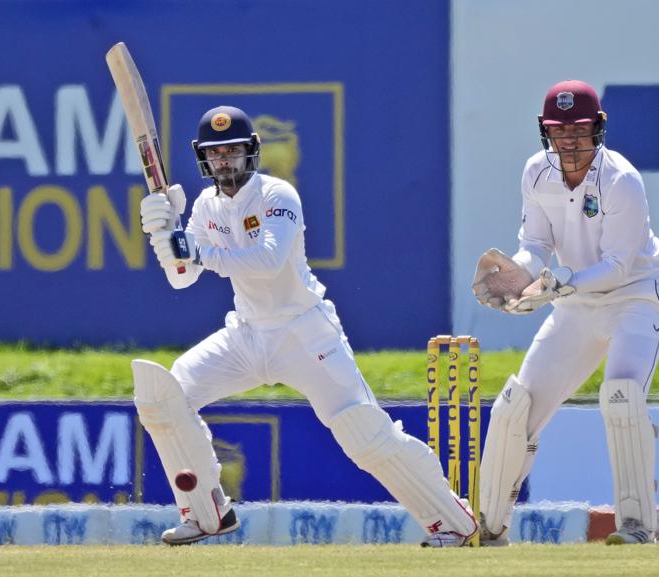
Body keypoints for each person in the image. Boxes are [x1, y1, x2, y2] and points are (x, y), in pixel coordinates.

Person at [135, 106, 477, 547]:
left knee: (364, 434)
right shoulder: (206, 206)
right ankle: (207, 512)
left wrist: (196, 252)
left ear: (250, 153)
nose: (224, 161)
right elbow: (182, 278)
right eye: (216, 154)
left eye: (233, 152)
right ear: (204, 158)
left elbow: (268, 260)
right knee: (165, 397)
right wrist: (166, 237)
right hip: (247, 334)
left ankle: (453, 521)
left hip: (304, 333)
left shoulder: (278, 196)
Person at [471, 80, 659, 545]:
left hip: (636, 297)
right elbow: (535, 245)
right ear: (545, 132)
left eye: (580, 129)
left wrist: (560, 283)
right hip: (575, 303)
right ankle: (489, 528)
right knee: (515, 406)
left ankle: (638, 529)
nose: (570, 141)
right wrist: (520, 276)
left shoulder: (621, 180)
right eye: (559, 131)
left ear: (598, 128)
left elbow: (619, 264)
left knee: (621, 396)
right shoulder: (535, 173)